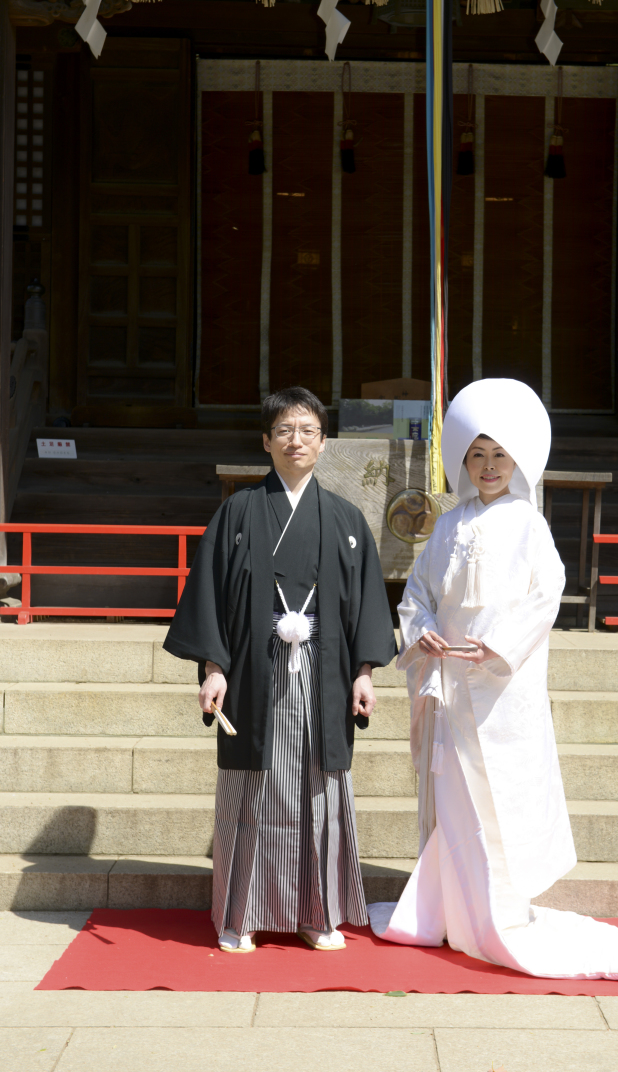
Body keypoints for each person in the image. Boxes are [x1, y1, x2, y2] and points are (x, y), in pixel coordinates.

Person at [369, 378, 618, 980]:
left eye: (499, 456)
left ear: (516, 462)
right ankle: (451, 911)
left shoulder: (529, 523)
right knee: (454, 801)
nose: (488, 467)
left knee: (498, 801)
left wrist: (501, 647)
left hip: (499, 687)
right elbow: (417, 592)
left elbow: (548, 594)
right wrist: (423, 631)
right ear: (464, 461)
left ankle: (495, 915)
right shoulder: (446, 524)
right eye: (477, 456)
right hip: (449, 683)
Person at [164, 386, 396, 954]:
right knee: (251, 794)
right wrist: (213, 668)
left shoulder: (344, 519)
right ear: (266, 441)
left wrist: (364, 672)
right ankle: (238, 915)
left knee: (318, 792)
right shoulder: (238, 512)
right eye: (285, 430)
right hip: (253, 673)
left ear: (323, 444)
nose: (297, 440)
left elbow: (365, 604)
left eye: (309, 431)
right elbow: (211, 597)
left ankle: (316, 914)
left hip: (324, 677)